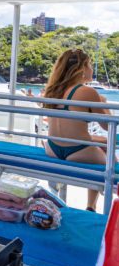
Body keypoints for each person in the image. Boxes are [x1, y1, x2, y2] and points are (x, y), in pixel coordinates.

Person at [43, 48, 110, 212]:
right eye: (90, 65)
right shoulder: (87, 91)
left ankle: (90, 205)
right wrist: (103, 103)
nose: (92, 70)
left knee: (101, 144)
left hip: (52, 148)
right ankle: (92, 205)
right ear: (81, 68)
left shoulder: (52, 90)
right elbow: (107, 126)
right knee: (111, 163)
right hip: (77, 151)